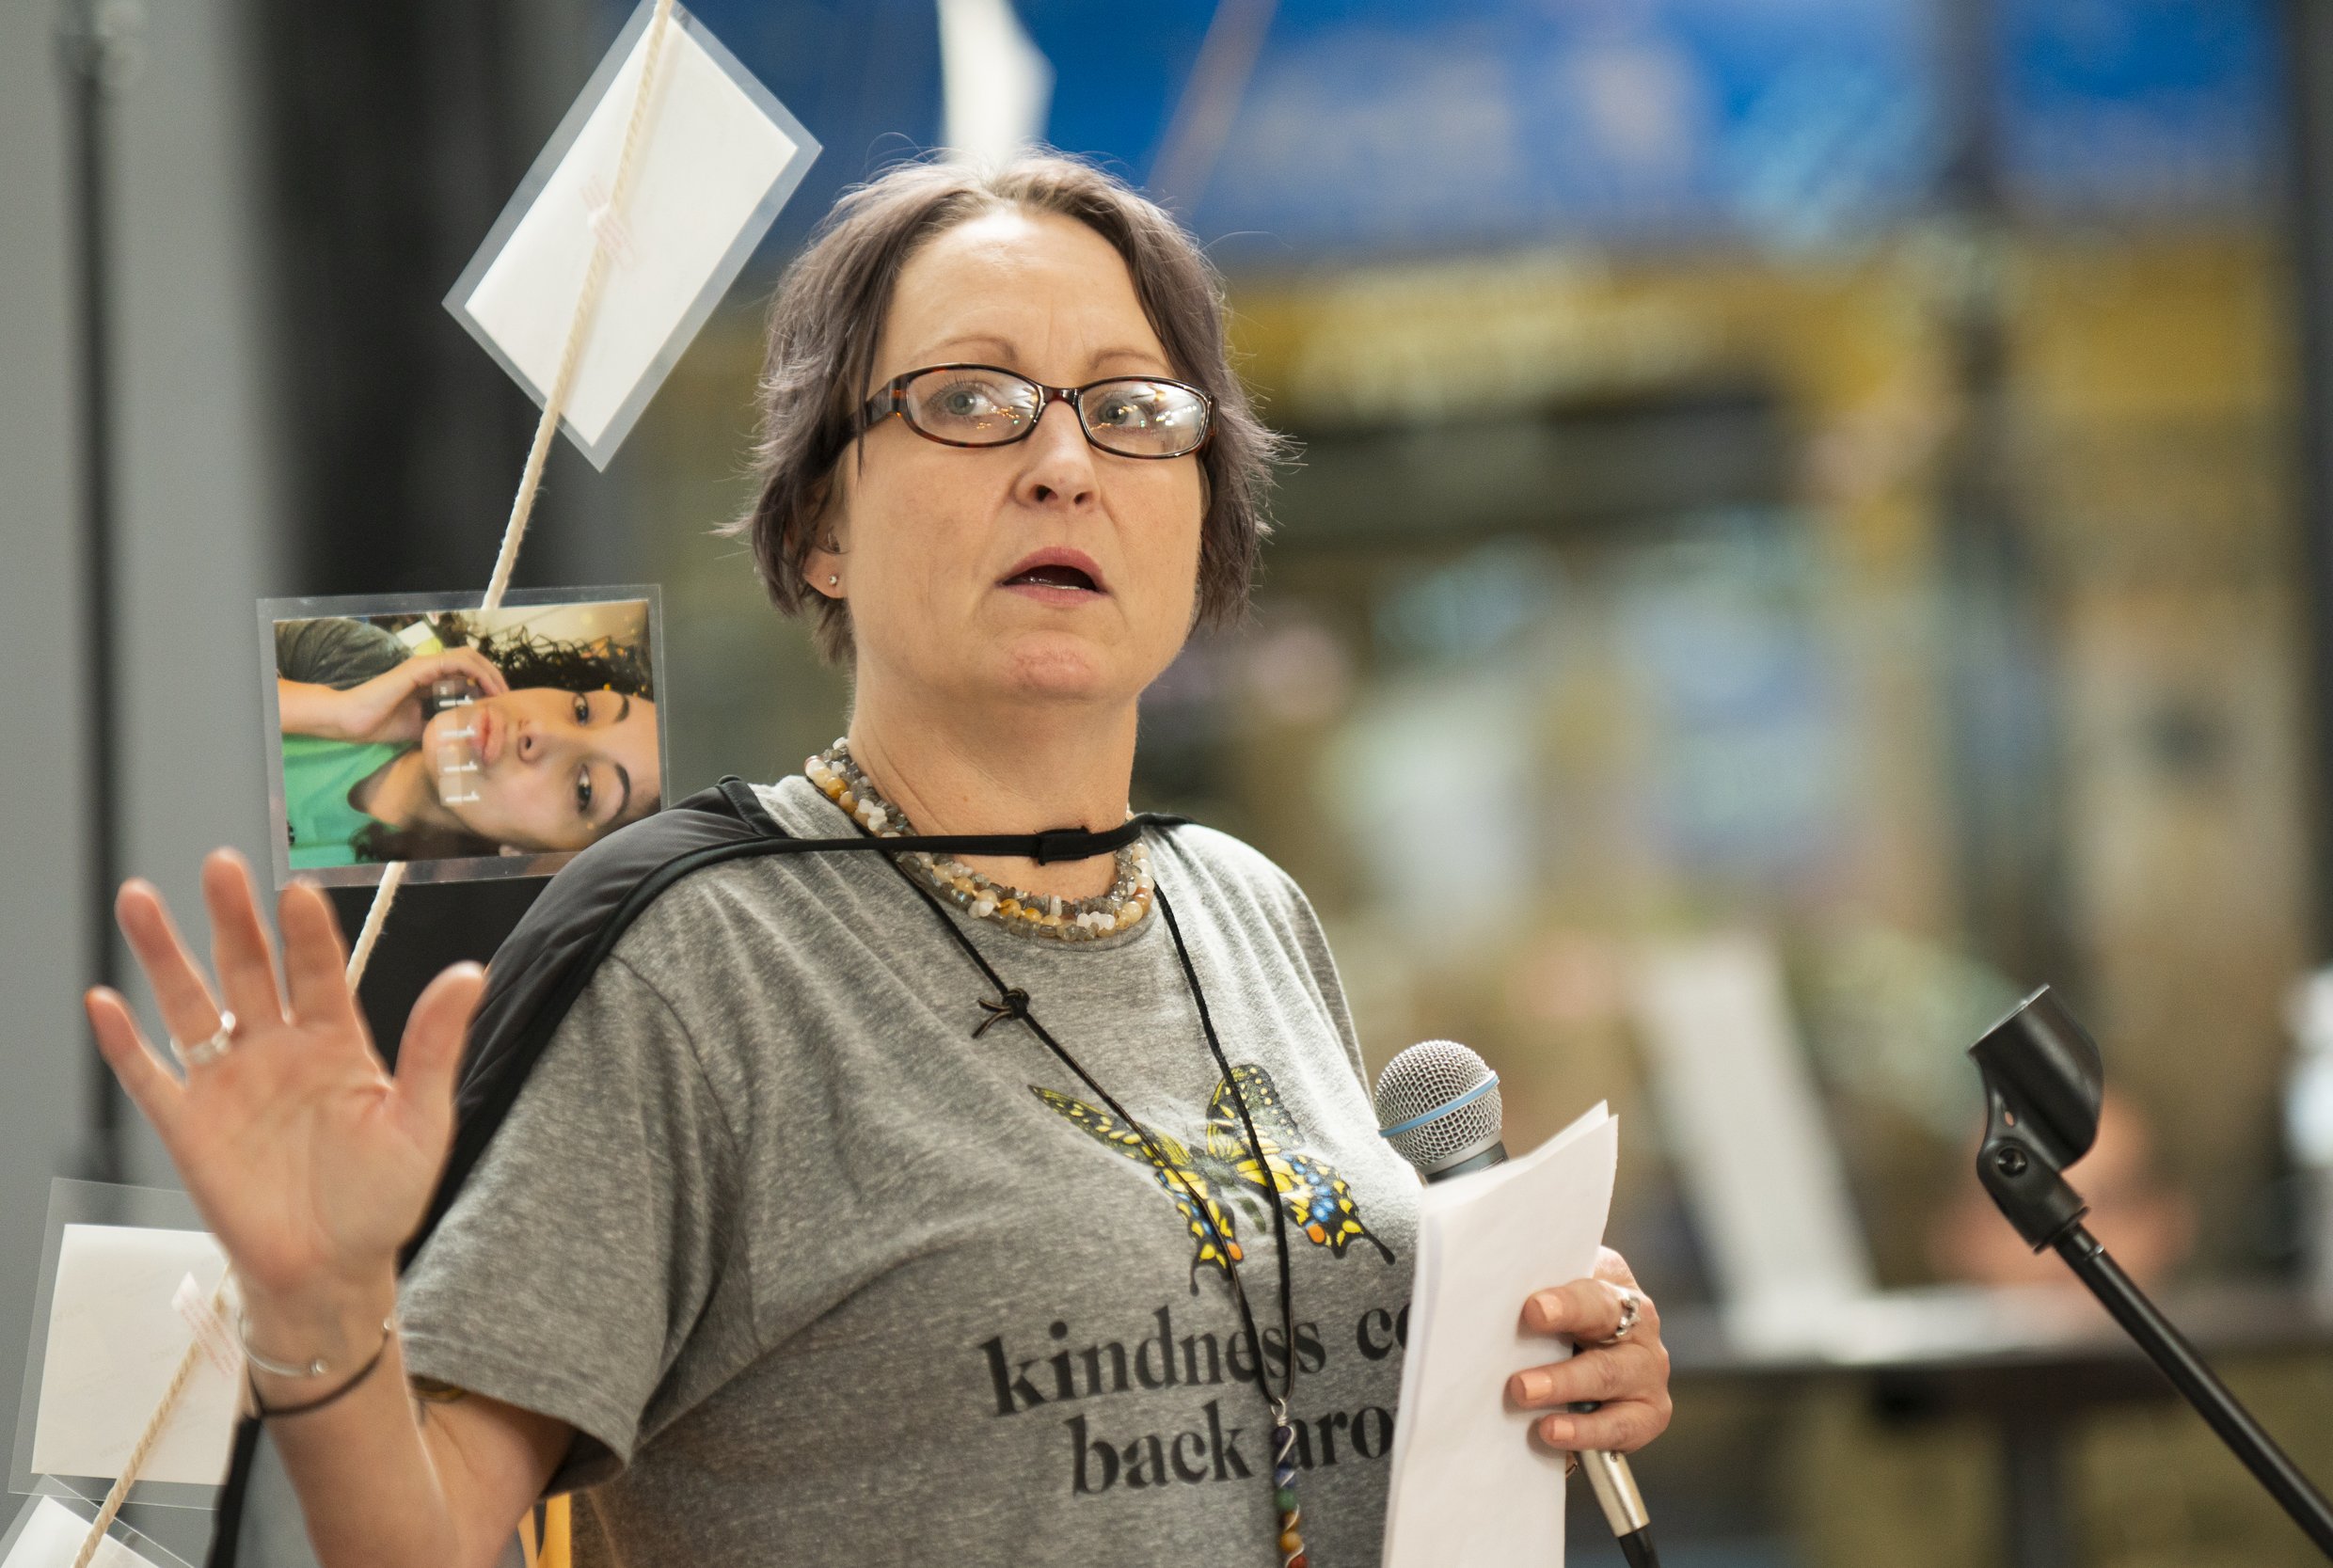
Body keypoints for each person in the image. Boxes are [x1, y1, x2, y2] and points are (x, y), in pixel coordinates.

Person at [84, 152, 1674, 1568]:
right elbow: (419, 1536)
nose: (1064, 463)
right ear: (818, 525)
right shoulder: (702, 955)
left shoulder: (1245, 908)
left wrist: (1549, 1365)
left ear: (1204, 516)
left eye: (1132, 409)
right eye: (971, 400)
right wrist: (319, 1315)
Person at [272, 615, 662, 867]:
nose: (540, 732)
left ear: (537, 855)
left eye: (584, 788)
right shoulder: (361, 661)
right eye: (582, 711)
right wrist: (337, 712)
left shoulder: (386, 921)